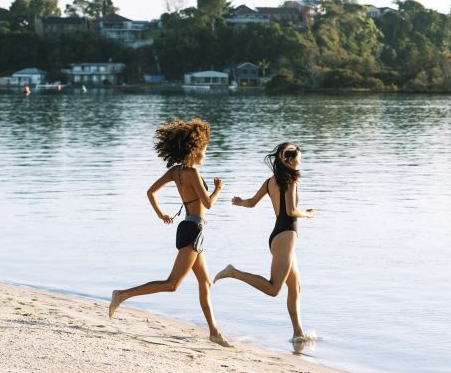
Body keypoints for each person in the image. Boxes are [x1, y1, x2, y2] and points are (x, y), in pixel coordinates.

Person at [108, 117, 231, 347]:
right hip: (193, 229)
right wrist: (218, 189)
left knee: (205, 283)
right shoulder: (192, 173)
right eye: (204, 150)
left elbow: (150, 192)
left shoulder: (175, 171)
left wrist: (161, 214)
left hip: (190, 227)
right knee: (172, 284)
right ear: (194, 150)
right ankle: (121, 295)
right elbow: (209, 204)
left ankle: (214, 332)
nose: (206, 154)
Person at [214, 142, 316, 343]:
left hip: (281, 237)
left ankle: (298, 334)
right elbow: (291, 211)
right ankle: (233, 272)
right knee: (273, 289)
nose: (300, 163)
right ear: (288, 160)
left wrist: (240, 201)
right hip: (285, 236)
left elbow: (251, 203)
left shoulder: (271, 181)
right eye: (299, 159)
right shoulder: (290, 181)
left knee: (295, 287)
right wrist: (309, 214)